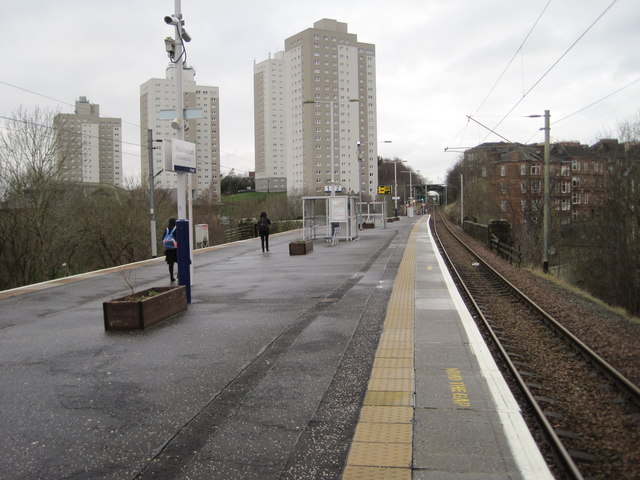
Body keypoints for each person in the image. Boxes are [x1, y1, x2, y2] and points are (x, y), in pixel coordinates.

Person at [163, 218, 178, 282]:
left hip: (168, 250)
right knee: (179, 261)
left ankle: (171, 276)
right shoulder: (175, 229)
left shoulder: (166, 229)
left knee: (171, 264)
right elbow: (177, 238)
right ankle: (179, 274)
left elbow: (163, 238)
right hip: (175, 250)